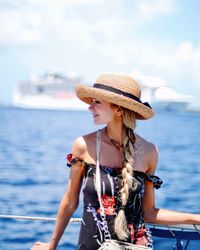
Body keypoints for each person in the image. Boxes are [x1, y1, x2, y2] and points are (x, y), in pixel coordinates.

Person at [31, 73, 200, 250]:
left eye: (97, 102)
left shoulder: (150, 151)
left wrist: (195, 218)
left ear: (118, 109)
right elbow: (70, 201)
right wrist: (52, 244)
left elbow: (148, 212)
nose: (90, 108)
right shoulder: (83, 146)